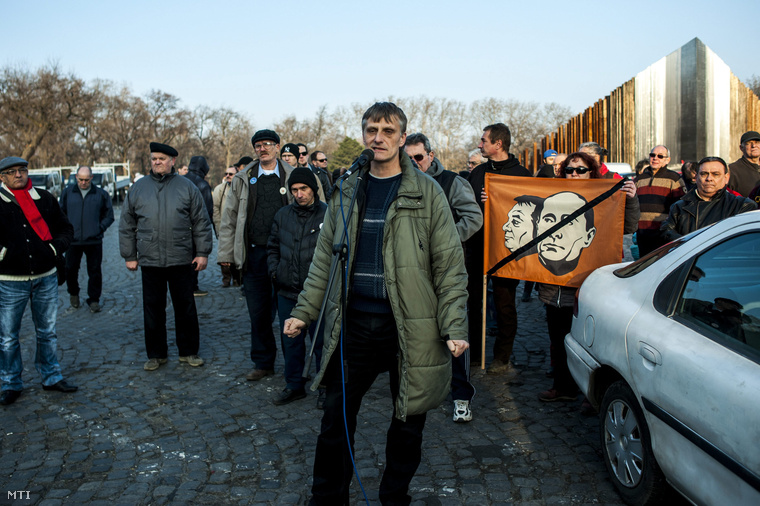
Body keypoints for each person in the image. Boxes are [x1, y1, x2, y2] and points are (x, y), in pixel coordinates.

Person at [282, 102, 469, 505]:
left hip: (412, 326)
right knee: (335, 420)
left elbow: (450, 266)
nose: (378, 138)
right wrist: (303, 311)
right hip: (353, 324)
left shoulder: (427, 192)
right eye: (371, 130)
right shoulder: (347, 189)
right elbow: (323, 262)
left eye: (387, 131)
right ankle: (328, 498)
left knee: (407, 423)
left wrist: (454, 325)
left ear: (403, 138)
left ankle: (394, 497)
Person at [537, 152, 639, 402]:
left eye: (580, 170)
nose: (574, 174)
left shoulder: (606, 197)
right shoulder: (550, 196)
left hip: (588, 287)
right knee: (558, 340)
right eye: (570, 170)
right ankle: (562, 386)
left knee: (588, 344)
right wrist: (493, 200)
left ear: (592, 171)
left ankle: (590, 394)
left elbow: (628, 226)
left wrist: (632, 199)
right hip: (555, 286)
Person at [404, 132, 483, 423]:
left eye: (419, 157)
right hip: (411, 269)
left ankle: (461, 395)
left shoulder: (452, 182)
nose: (414, 163)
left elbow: (473, 218)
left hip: (447, 267)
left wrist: (446, 241)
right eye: (408, 158)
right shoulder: (399, 182)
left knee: (454, 327)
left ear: (431, 155)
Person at [119, 143, 213, 371]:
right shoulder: (138, 188)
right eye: (153, 158)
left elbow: (201, 221)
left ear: (172, 161)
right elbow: (126, 224)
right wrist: (129, 255)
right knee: (152, 308)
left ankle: (189, 351)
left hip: (181, 258)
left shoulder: (187, 187)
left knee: (186, 308)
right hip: (150, 260)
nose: (157, 162)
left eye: (162, 158)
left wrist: (202, 252)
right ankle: (156, 354)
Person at [0, 156, 77, 406]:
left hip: (45, 278)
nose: (18, 175)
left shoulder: (44, 198)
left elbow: (66, 230)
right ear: (2, 177)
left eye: (22, 170)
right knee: (8, 337)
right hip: (10, 281)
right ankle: (11, 382)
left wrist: (54, 250)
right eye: (11, 172)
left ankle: (51, 376)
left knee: (47, 332)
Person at [218, 130, 294, 381]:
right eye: (258, 145)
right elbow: (229, 219)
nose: (263, 149)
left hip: (287, 254)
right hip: (253, 254)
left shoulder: (292, 176)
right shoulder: (243, 178)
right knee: (258, 313)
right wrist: (226, 254)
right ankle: (263, 362)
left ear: (277, 147)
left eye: (267, 145)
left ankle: (294, 367)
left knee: (290, 313)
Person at [465, 123, 531, 376]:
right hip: (477, 246)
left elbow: (530, 213)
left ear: (498, 144)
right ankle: (475, 352)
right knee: (473, 301)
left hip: (507, 251)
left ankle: (502, 356)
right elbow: (467, 208)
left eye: (484, 141)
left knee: (504, 305)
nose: (480, 144)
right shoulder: (478, 172)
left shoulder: (522, 175)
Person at [267, 167, 327, 407]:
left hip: (320, 293)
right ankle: (294, 385)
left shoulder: (328, 214)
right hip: (288, 290)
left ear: (313, 188)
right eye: (294, 190)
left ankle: (325, 386)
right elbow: (272, 246)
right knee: (290, 341)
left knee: (322, 343)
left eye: (303, 189)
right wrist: (276, 271)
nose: (299, 194)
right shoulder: (283, 215)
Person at [59, 165, 115, 313]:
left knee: (95, 271)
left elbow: (109, 215)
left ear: (91, 178)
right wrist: (66, 231)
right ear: (76, 177)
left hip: (94, 240)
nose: (83, 183)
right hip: (73, 240)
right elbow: (60, 213)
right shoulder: (67, 193)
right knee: (70, 269)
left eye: (86, 180)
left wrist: (99, 228)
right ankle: (74, 293)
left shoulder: (101, 194)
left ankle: (94, 299)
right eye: (81, 179)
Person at [661, 156, 756, 240]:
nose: (709, 178)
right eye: (704, 174)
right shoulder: (679, 207)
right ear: (696, 177)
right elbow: (666, 233)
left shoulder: (742, 206)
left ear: (726, 178)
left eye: (716, 174)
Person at [633, 145, 684, 255]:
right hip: (642, 234)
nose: (655, 158)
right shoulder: (639, 179)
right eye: (652, 155)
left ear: (667, 160)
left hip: (663, 234)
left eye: (660, 156)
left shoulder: (674, 179)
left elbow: (681, 207)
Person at [185, 156, 215, 297]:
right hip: (196, 227)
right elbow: (208, 210)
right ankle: (192, 286)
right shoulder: (202, 185)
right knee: (195, 256)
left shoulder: (180, 181)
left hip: (181, 228)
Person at [212, 166, 240, 287]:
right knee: (224, 257)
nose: (228, 175)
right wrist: (218, 226)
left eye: (231, 174)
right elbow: (215, 208)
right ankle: (226, 279)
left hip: (237, 227)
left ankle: (237, 279)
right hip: (224, 228)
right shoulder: (219, 189)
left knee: (237, 255)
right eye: (226, 173)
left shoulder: (240, 188)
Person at [728, 131, 760, 197]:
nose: (753, 146)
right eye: (748, 143)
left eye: (757, 142)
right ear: (741, 148)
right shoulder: (733, 170)